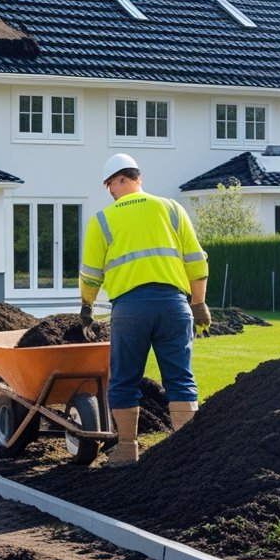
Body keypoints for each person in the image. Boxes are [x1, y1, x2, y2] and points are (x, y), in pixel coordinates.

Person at [79, 154, 210, 464]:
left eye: (109, 184)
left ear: (122, 179)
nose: (109, 191)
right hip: (174, 307)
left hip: (130, 310)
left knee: (124, 379)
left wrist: (86, 306)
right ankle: (185, 453)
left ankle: (126, 450)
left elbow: (90, 274)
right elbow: (196, 259)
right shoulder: (172, 209)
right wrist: (199, 302)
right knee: (180, 378)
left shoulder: (103, 219)